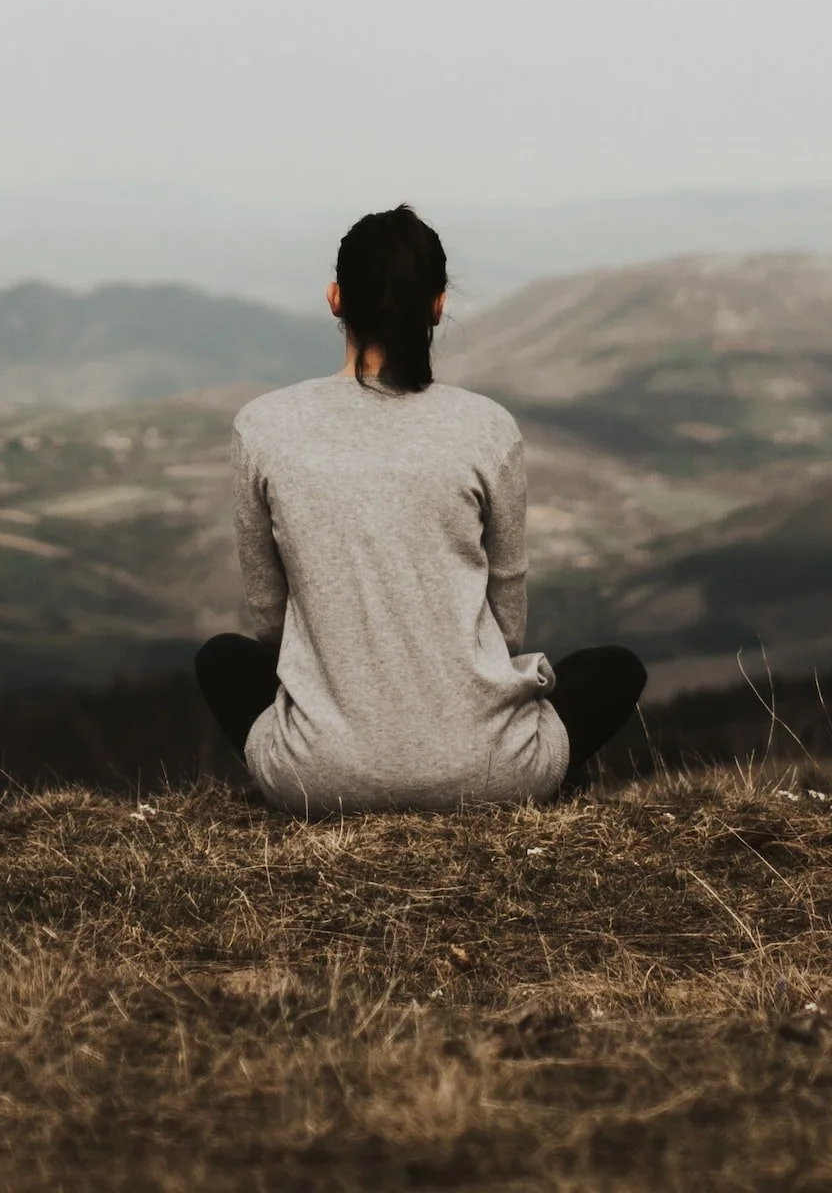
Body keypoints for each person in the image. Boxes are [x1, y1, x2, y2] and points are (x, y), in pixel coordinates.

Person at [195, 205, 645, 814]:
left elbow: (269, 617)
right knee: (614, 669)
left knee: (222, 661)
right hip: (492, 772)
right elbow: (507, 618)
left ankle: (340, 759)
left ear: (334, 299)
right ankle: (516, 775)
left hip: (318, 778)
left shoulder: (262, 426)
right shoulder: (488, 427)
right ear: (437, 306)